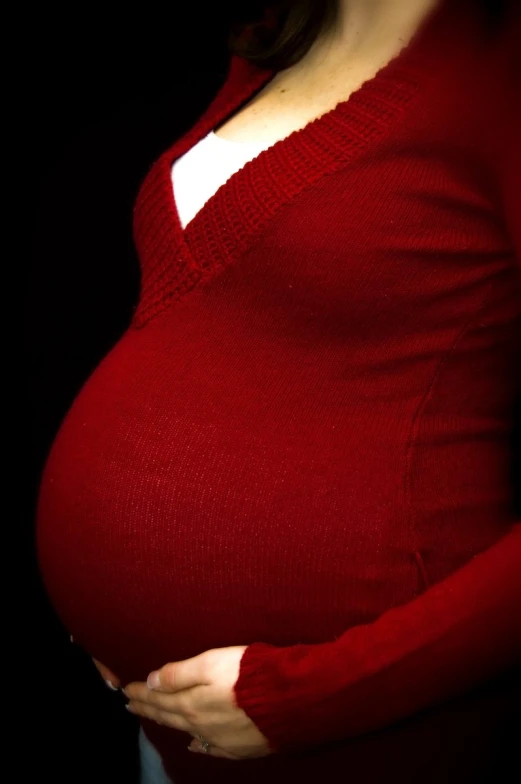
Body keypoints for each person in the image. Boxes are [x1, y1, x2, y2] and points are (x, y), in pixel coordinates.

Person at [36, 0, 520, 782]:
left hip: (367, 730)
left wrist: (308, 697)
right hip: (170, 719)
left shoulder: (497, 72)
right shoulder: (271, 40)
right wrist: (115, 600)